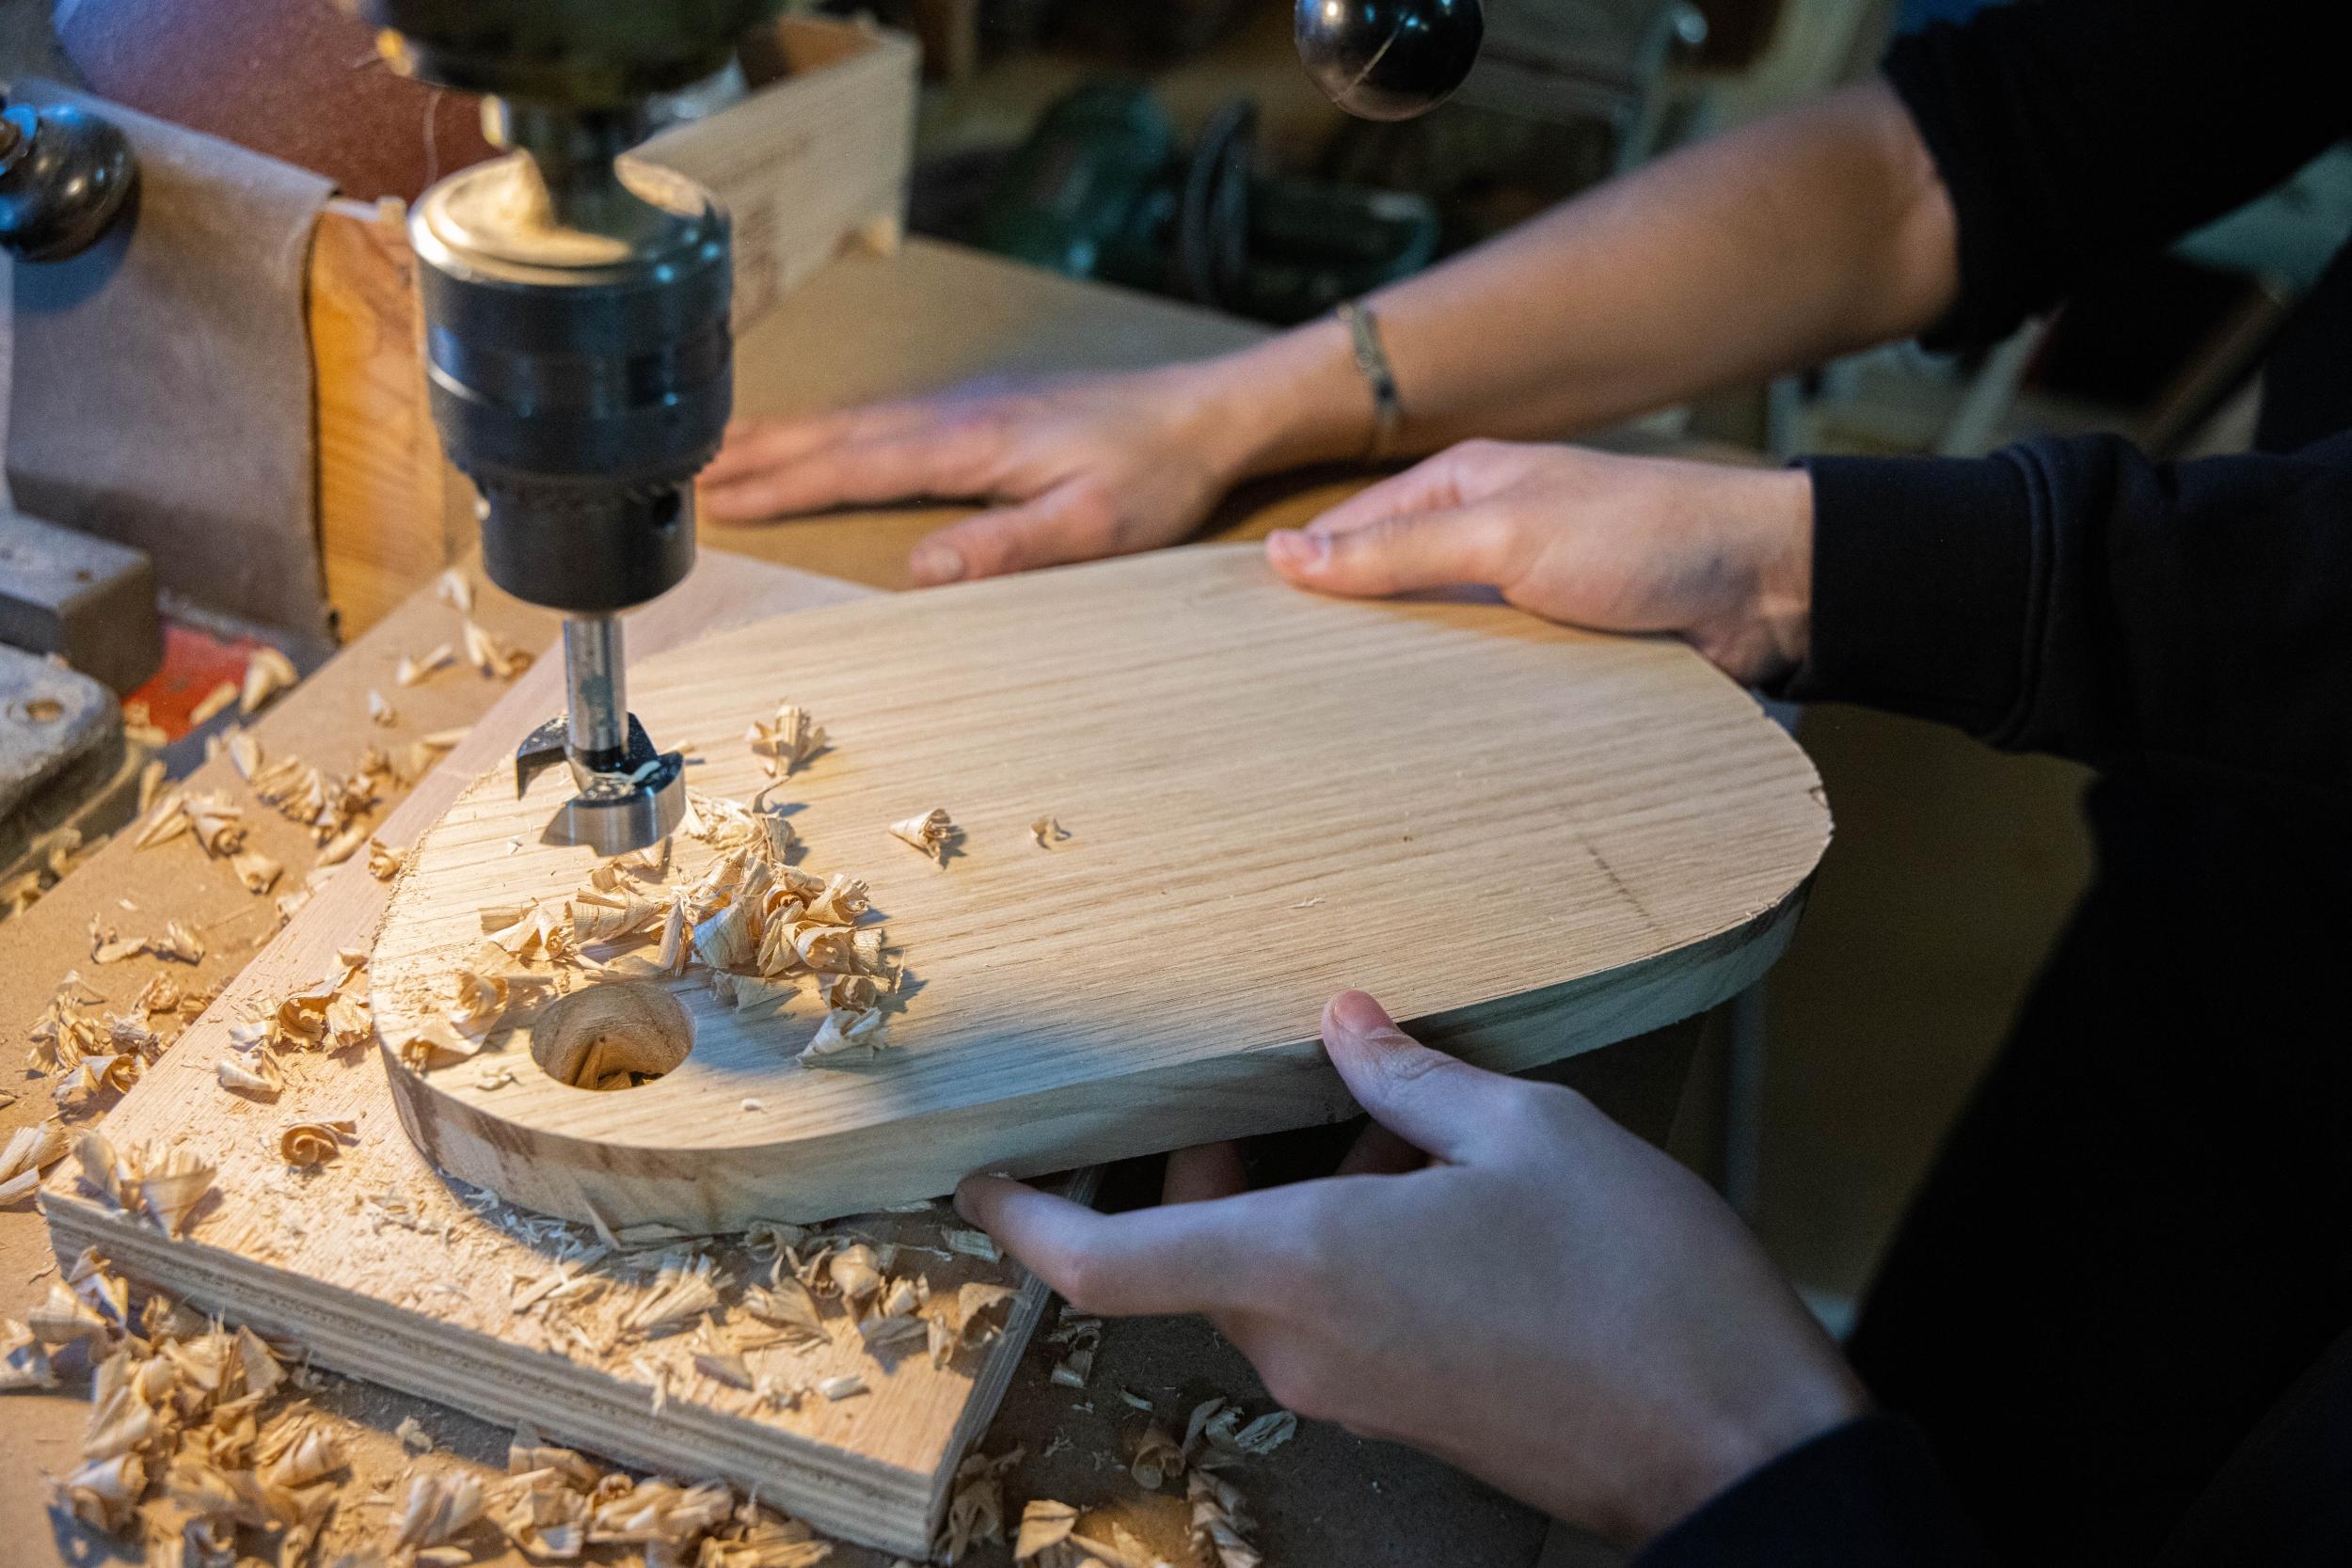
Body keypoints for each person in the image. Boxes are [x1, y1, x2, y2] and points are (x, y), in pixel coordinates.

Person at [707, 0, 2352, 1555]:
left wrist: (1741, 1462)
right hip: (2265, 881)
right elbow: (1974, 152)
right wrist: (1244, 404)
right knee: (2030, 1414)